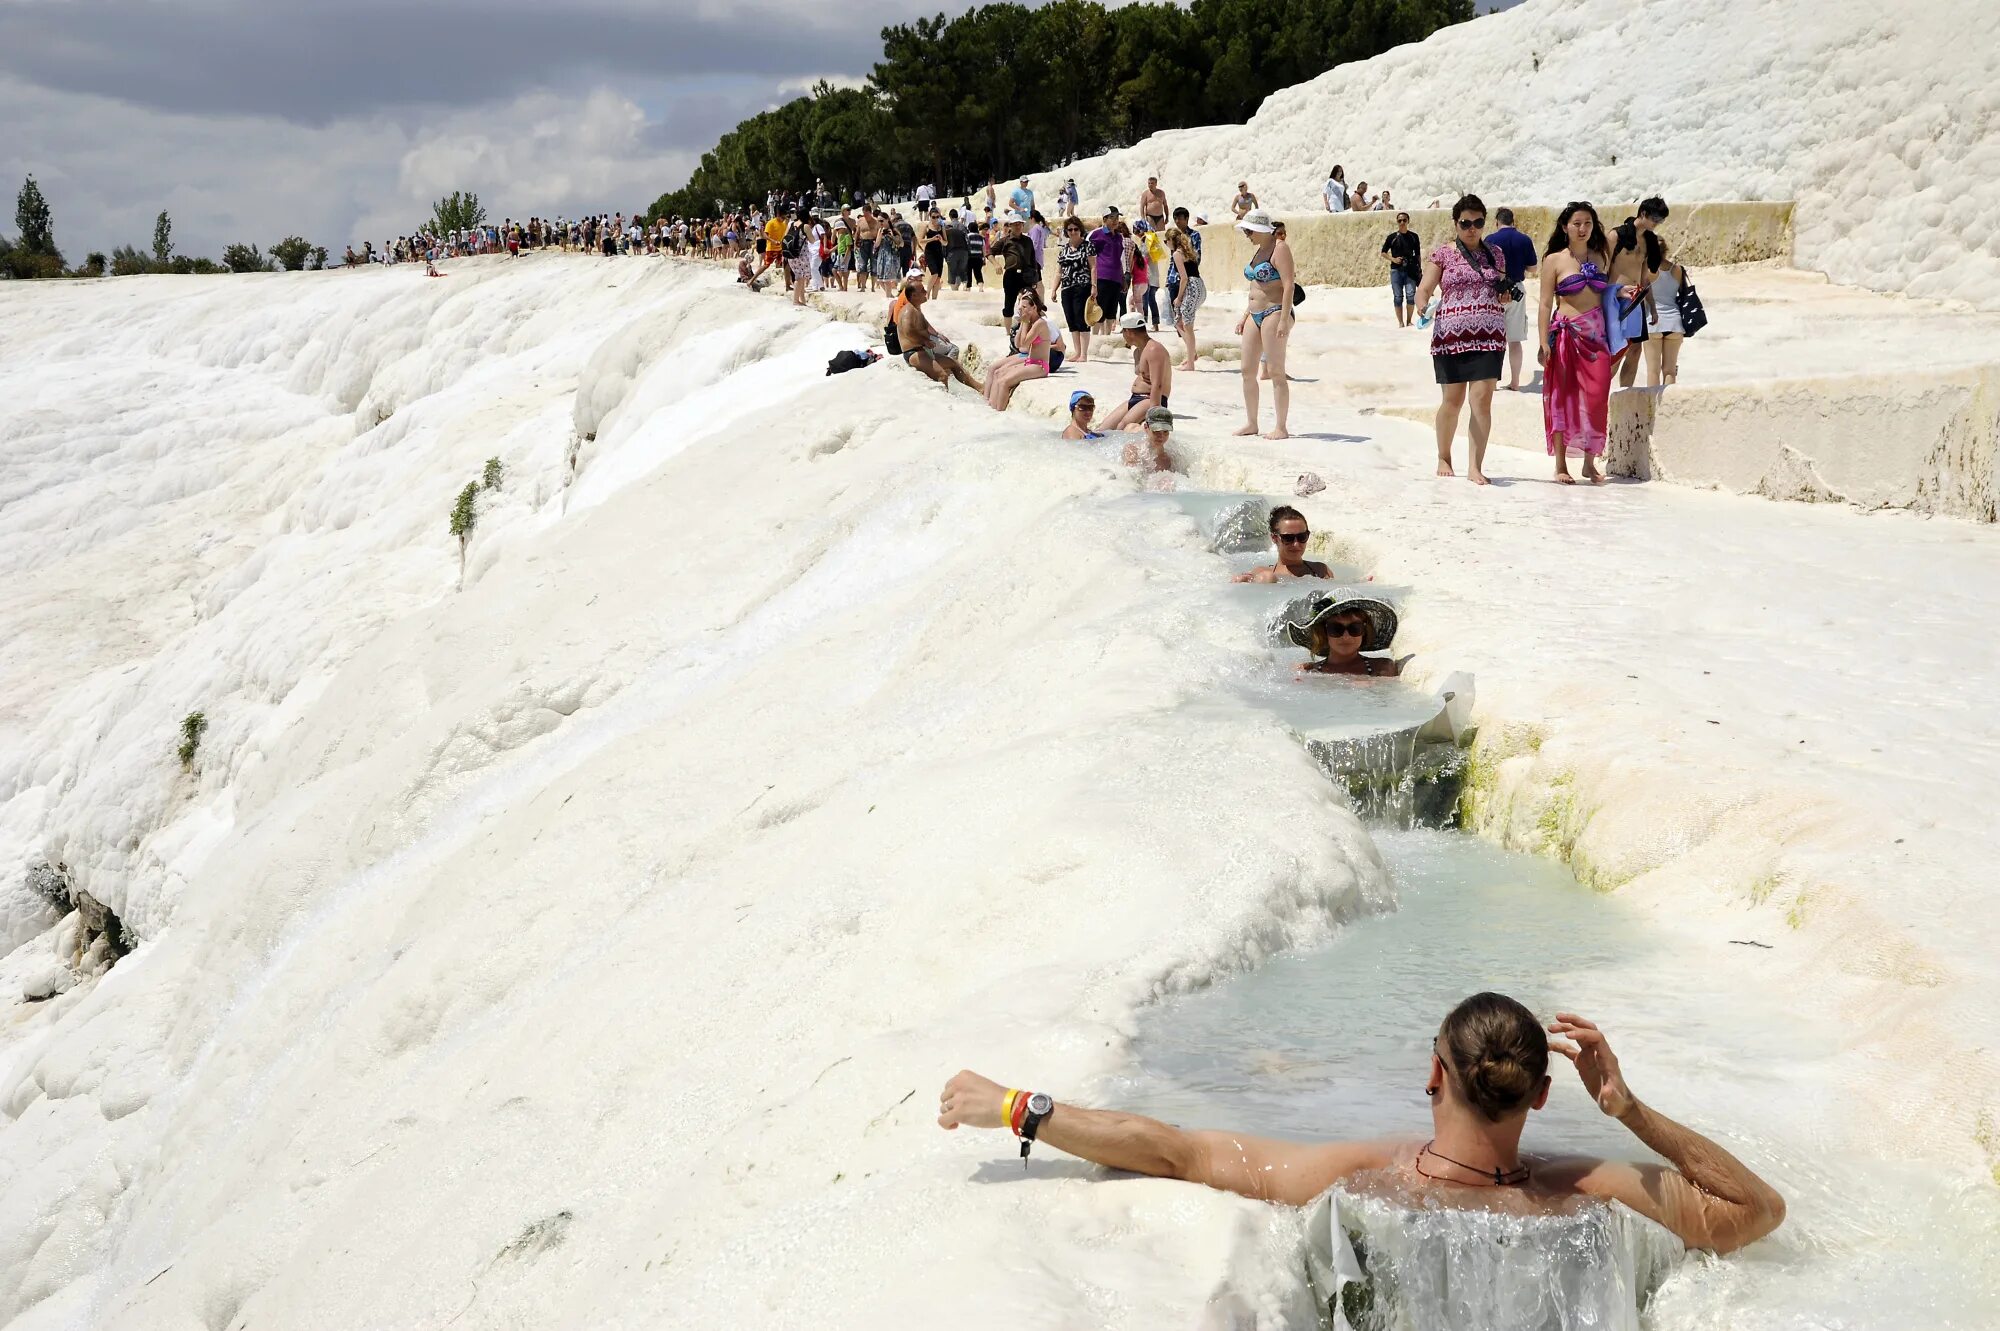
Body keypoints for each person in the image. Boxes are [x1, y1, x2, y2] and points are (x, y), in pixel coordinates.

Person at [937, 995, 1785, 1257]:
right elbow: (1755, 1210)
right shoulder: (1586, 1187)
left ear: (1431, 1074)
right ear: (1540, 1095)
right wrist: (1628, 1109)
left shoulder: (1360, 1176)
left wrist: (1020, 1107)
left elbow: (1175, 1150)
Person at [1411, 194, 1507, 485]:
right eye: (1466, 222)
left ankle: (1475, 466)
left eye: (1478, 222)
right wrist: (1420, 302)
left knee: (1482, 402)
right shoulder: (1443, 254)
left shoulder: (1496, 253)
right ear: (1456, 223)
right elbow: (1424, 287)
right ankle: (1444, 454)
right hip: (1451, 337)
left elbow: (1502, 287)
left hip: (1489, 336)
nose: (1472, 228)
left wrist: (1505, 295)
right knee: (1452, 402)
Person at [1539, 201, 1635, 484]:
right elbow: (1545, 303)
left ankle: (1589, 463)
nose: (1583, 229)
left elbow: (1603, 293)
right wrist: (1543, 341)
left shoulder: (1600, 257)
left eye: (1588, 223)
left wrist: (1618, 292)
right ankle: (1560, 465)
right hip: (1567, 334)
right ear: (1565, 227)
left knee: (1596, 397)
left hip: (1597, 338)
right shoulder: (1554, 260)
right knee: (1562, 397)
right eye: (1577, 223)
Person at [1233, 208, 1295, 439]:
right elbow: (1255, 288)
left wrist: (1283, 319)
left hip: (1274, 311)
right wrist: (1244, 315)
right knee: (1247, 370)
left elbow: (1288, 285)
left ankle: (1281, 427)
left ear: (1261, 229)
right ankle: (1251, 423)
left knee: (1276, 372)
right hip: (1254, 314)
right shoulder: (1259, 251)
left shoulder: (1280, 249)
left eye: (1249, 231)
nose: (1247, 235)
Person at [1611, 198, 1669, 387]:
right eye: (1655, 219)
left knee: (1635, 351)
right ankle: (1602, 393)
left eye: (1660, 220)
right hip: (1616, 298)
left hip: (1636, 300)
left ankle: (1625, 393)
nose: (1657, 223)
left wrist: (1652, 307)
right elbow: (1601, 268)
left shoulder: (1650, 241)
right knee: (1616, 351)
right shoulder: (1617, 235)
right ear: (1643, 213)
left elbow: (1645, 279)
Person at [893, 279, 984, 393]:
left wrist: (937, 335)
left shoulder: (915, 309)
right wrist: (925, 341)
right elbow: (908, 331)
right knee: (942, 375)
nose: (926, 291)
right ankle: (945, 399)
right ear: (914, 295)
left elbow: (925, 326)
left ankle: (979, 388)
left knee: (954, 364)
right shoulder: (908, 311)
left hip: (923, 351)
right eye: (922, 290)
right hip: (914, 353)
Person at [1284, 590, 1403, 676]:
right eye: (1336, 629)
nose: (1346, 636)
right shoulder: (1306, 672)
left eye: (1354, 628)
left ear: (1365, 631)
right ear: (1323, 632)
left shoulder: (1382, 668)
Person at [1485, 208, 1540, 390]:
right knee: (1514, 339)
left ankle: (1491, 382)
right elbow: (1533, 268)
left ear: (1497, 222)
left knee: (1493, 338)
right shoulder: (1524, 239)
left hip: (1494, 291)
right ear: (1513, 221)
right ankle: (1515, 382)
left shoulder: (1490, 240)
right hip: (1516, 289)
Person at [985, 288, 1054, 410]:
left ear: (1034, 308)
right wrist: (1023, 322)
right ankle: (989, 406)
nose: (1021, 309)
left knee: (1004, 382)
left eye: (1025, 307)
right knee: (998, 373)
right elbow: (1018, 344)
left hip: (1040, 366)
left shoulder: (1040, 323)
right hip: (1029, 362)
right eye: (1021, 307)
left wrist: (1025, 322)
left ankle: (998, 412)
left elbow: (1025, 344)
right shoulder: (1029, 321)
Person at [1103, 314, 1173, 431]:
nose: (1123, 336)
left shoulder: (1154, 349)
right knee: (1102, 429)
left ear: (1129, 332)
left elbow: (1158, 384)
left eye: (1123, 333)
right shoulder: (1138, 351)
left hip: (1151, 399)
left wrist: (1153, 414)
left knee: (1122, 426)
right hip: (1135, 398)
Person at [1232, 506, 1330, 582]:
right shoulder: (1261, 573)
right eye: (1288, 538)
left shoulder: (1320, 570)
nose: (1296, 544)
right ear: (1274, 538)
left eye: (1302, 537)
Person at [1645, 238, 1687, 387]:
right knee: (1669, 371)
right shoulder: (1677, 270)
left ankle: (1652, 409)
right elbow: (1681, 294)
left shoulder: (1647, 271)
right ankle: (1669, 408)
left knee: (1653, 371)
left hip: (1653, 323)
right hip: (1675, 323)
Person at [1055, 217, 1095, 363]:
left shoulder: (1088, 246)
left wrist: (1094, 286)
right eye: (1070, 229)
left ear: (1080, 230)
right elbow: (1059, 271)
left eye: (1076, 229)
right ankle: (1077, 352)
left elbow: (1093, 267)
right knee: (1071, 319)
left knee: (1081, 318)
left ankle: (1084, 353)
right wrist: (1054, 289)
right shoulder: (1064, 249)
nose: (1073, 232)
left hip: (1082, 286)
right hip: (1066, 287)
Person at [1166, 221, 1205, 371]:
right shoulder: (1187, 250)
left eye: (1166, 241)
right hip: (1200, 286)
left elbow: (1184, 278)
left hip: (1192, 287)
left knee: (1186, 325)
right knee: (1180, 322)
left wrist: (1179, 297)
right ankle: (1191, 354)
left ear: (1171, 241)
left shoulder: (1177, 254)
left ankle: (1191, 363)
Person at [1381, 212, 1423, 328]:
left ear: (1408, 221)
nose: (1402, 223)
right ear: (1397, 222)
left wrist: (1419, 269)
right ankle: (1400, 322)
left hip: (1410, 269)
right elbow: (1383, 252)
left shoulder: (1414, 237)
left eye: (1404, 220)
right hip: (1396, 270)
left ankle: (1409, 320)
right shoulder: (1392, 237)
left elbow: (1418, 254)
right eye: (1399, 221)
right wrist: (1393, 259)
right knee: (1398, 296)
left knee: (1411, 295)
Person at [1088, 207, 1128, 331]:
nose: (1116, 220)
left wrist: (1123, 278)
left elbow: (1120, 259)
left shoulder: (1119, 237)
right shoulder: (1096, 234)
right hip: (1102, 277)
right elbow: (1088, 255)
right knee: (1099, 311)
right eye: (1112, 217)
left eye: (1117, 217)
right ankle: (1095, 340)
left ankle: (1107, 339)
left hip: (1115, 279)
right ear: (1104, 219)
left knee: (1111, 312)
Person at [1123, 405, 1174, 474]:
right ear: (1146, 427)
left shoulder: (1170, 458)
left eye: (1165, 431)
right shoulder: (1133, 450)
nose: (1161, 436)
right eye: (1156, 431)